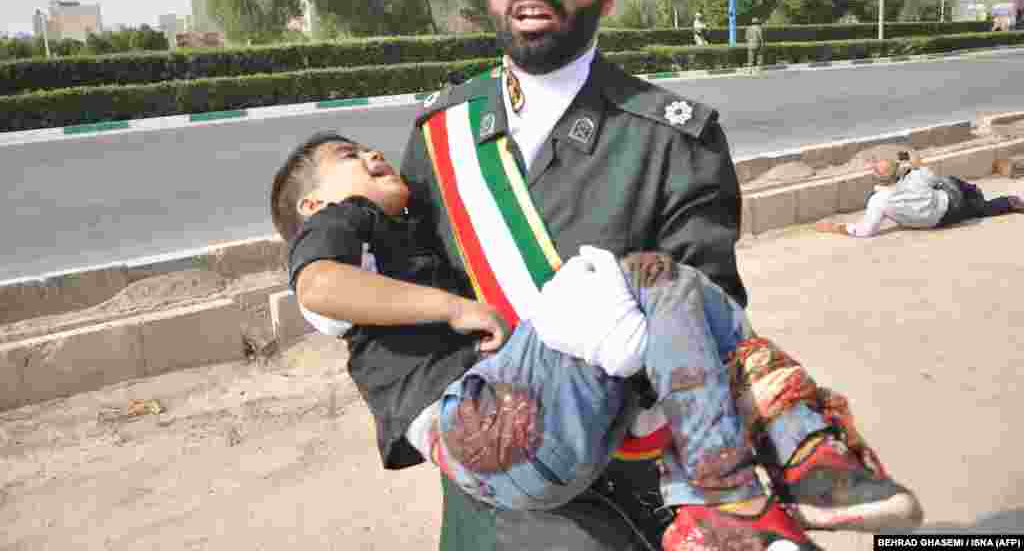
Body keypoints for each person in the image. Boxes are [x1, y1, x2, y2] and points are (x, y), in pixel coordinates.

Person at [301, 0, 921, 548]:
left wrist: (618, 347)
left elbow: (713, 332)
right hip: (488, 503)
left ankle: (758, 483)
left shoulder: (673, 139)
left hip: (621, 509)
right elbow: (402, 296)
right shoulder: (439, 133)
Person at [272, 134, 920, 551]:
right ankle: (764, 474)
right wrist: (455, 307)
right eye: (348, 159)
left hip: (530, 458)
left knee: (678, 309)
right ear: (312, 206)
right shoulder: (341, 223)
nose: (371, 154)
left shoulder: (403, 233)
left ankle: (744, 488)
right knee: (643, 276)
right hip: (476, 424)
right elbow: (320, 289)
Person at [816, 155, 1024, 238]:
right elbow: (931, 175)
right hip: (950, 203)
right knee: (948, 180)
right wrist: (916, 162)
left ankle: (1004, 202)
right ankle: (976, 192)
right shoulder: (916, 178)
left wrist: (835, 228)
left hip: (937, 220)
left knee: (975, 209)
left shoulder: (878, 200)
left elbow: (865, 230)